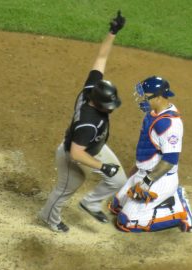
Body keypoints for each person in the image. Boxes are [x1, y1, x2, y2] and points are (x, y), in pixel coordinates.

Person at [38, 11, 127, 233]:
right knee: (69, 185)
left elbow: (101, 59)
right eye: (108, 106)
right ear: (98, 104)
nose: (111, 109)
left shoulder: (91, 88)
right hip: (74, 151)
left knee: (117, 180)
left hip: (95, 145)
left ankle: (91, 202)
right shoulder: (88, 122)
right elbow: (77, 154)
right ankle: (48, 217)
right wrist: (102, 166)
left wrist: (112, 32)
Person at [109, 76, 192, 232]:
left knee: (125, 222)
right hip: (144, 173)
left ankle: (178, 208)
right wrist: (136, 170)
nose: (142, 100)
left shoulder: (169, 125)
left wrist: (147, 181)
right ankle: (163, 200)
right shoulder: (152, 114)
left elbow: (170, 160)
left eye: (146, 96)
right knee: (116, 206)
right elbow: (148, 148)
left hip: (160, 179)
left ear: (160, 97)